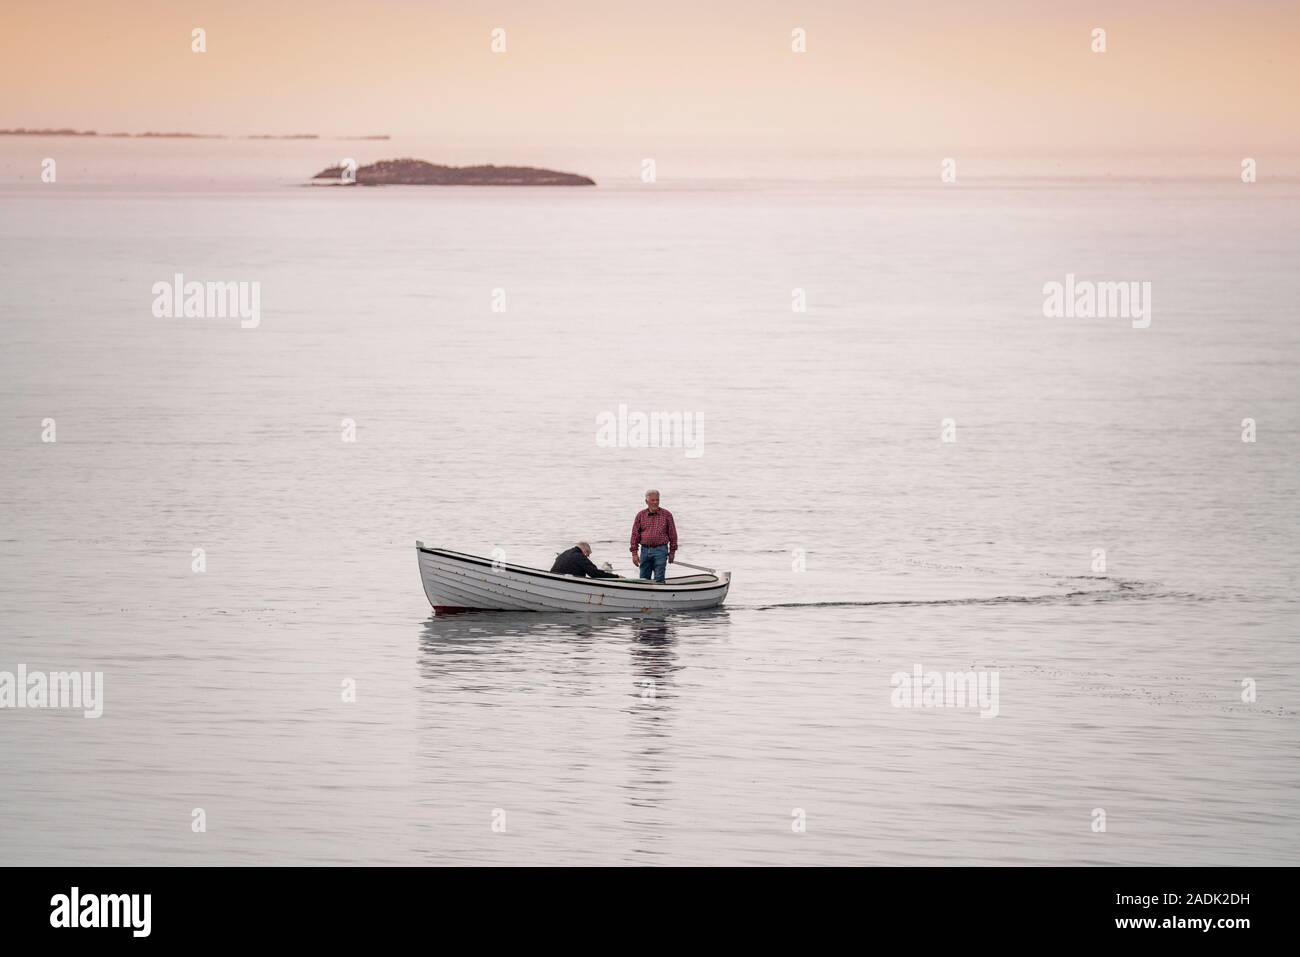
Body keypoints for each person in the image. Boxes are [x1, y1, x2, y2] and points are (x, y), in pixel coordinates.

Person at [630, 489, 678, 583]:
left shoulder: (667, 515)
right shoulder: (640, 515)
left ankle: (660, 596)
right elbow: (634, 535)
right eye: (653, 500)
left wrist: (672, 552)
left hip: (661, 550)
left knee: (659, 578)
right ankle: (644, 596)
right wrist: (634, 554)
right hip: (645, 550)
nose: (655, 502)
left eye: (657, 500)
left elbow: (673, 535)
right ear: (646, 501)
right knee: (643, 579)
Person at [550, 542, 620, 579]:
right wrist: (616, 577)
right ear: (584, 550)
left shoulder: (565, 553)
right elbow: (594, 574)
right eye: (588, 554)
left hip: (553, 579)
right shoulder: (579, 556)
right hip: (568, 583)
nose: (587, 557)